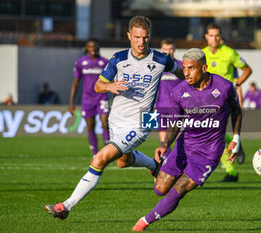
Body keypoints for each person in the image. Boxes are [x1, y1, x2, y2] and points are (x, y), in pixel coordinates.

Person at [44, 15, 184, 220]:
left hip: (144, 120)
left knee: (99, 159)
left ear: (149, 36)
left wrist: (196, 91)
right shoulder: (118, 59)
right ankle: (154, 166)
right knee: (123, 161)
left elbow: (184, 74)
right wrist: (111, 86)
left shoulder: (161, 59)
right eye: (137, 37)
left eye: (145, 37)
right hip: (117, 118)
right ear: (129, 36)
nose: (141, 42)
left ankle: (65, 206)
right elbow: (98, 86)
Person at [132, 48, 243, 231]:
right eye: (184, 68)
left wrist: (236, 138)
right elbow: (176, 123)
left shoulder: (224, 86)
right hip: (184, 147)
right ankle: (157, 169)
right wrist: (164, 144)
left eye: (191, 68)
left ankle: (144, 222)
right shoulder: (179, 91)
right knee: (160, 189)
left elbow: (237, 111)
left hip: (208, 154)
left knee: (179, 190)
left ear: (204, 68)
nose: (186, 73)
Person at [202, 23, 252, 182]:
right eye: (211, 35)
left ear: (220, 37)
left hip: (224, 101)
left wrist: (236, 85)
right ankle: (235, 144)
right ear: (206, 37)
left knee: (213, 135)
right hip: (206, 102)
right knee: (214, 135)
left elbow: (247, 69)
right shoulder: (202, 54)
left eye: (217, 35)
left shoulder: (229, 53)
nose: (214, 38)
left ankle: (231, 172)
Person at [69, 39, 110, 156]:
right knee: (91, 126)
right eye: (90, 46)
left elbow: (111, 80)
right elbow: (76, 83)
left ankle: (108, 152)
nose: (93, 48)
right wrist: (71, 103)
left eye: (95, 46)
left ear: (98, 48)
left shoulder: (105, 62)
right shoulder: (80, 62)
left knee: (105, 122)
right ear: (86, 48)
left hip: (102, 97)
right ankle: (95, 154)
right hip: (87, 99)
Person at [155, 38, 183, 157]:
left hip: (177, 108)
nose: (168, 51)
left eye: (170, 49)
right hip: (161, 107)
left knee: (177, 140)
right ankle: (166, 167)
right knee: (163, 141)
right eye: (166, 49)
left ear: (174, 49)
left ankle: (177, 166)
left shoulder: (181, 66)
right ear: (161, 50)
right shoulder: (156, 67)